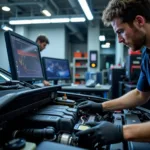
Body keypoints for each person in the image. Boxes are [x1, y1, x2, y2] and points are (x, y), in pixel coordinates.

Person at [76, 0, 150, 147]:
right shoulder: (147, 55)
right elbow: (140, 94)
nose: (120, 40)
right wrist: (102, 106)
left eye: (121, 31)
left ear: (139, 21)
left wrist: (121, 132)